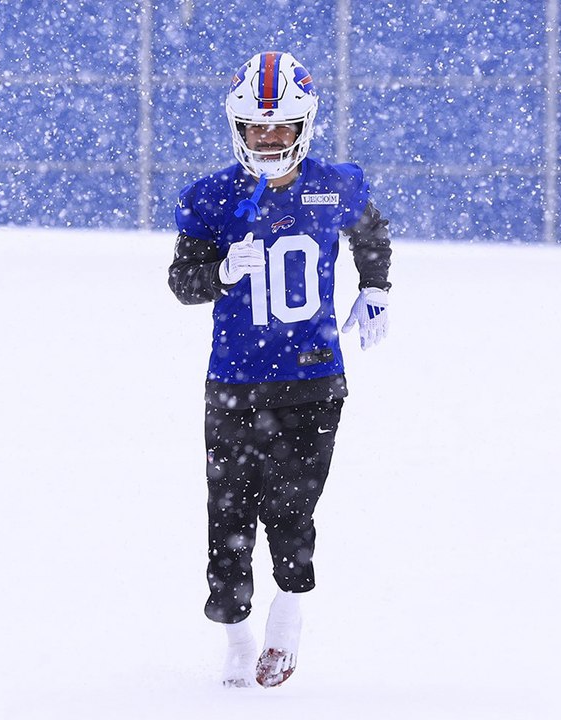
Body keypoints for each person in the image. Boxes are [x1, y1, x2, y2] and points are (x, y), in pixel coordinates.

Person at [167, 51, 393, 689]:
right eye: (257, 128)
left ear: (304, 126)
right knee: (228, 515)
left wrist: (375, 287)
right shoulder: (214, 196)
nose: (269, 140)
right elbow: (182, 283)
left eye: (281, 128)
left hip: (313, 380)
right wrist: (219, 273)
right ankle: (236, 636)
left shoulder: (334, 183)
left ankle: (288, 615)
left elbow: (372, 233)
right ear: (239, 129)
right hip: (235, 381)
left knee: (291, 509)